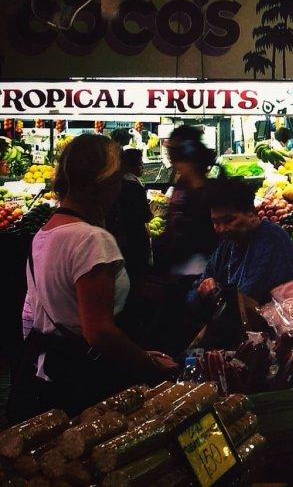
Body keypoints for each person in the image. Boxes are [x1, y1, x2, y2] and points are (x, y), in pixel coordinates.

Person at [10, 134, 176, 420]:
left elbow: (33, 314)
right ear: (105, 182)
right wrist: (147, 363)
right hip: (86, 382)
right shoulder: (91, 240)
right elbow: (99, 332)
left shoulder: (46, 231)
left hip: (49, 372)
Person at [186, 179, 293, 312]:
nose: (221, 228)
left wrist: (214, 291)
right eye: (216, 222)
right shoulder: (228, 245)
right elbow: (193, 295)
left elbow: (248, 294)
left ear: (251, 214)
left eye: (229, 220)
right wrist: (203, 289)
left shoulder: (272, 239)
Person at [158, 125, 218, 274]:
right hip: (181, 266)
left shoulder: (203, 191)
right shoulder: (183, 183)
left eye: (171, 150)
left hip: (196, 270)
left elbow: (202, 235)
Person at [106, 148, 151, 290]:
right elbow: (145, 215)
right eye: (140, 163)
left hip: (122, 239)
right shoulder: (134, 186)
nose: (142, 167)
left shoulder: (119, 183)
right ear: (131, 166)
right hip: (134, 239)